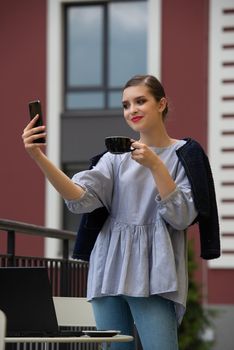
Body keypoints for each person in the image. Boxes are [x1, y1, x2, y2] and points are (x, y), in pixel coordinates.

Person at [22, 74, 219, 350]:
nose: (132, 110)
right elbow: (80, 198)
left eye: (140, 101)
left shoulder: (185, 154)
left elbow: (182, 217)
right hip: (107, 271)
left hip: (155, 276)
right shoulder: (114, 157)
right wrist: (38, 157)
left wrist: (155, 165)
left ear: (161, 104)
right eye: (126, 105)